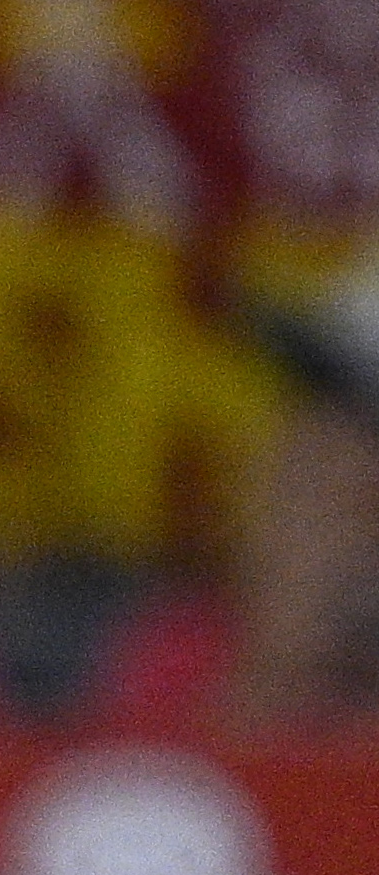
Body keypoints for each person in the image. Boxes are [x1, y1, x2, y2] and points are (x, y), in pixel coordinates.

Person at [97, 243, 379, 729]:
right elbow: (157, 772)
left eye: (358, 423)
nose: (316, 447)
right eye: (317, 408)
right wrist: (279, 656)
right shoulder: (188, 644)